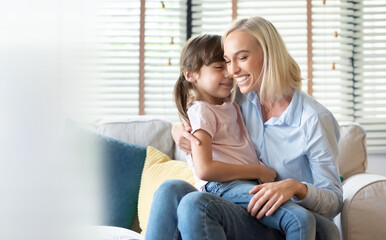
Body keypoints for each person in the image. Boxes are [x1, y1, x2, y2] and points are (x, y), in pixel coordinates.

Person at [147, 16, 343, 240]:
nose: (231, 71)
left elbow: (334, 201)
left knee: (195, 203)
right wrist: (178, 129)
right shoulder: (240, 99)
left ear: (269, 55)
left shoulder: (314, 119)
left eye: (242, 58)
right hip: (247, 208)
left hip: (291, 219)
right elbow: (203, 108)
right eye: (228, 61)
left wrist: (295, 187)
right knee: (169, 190)